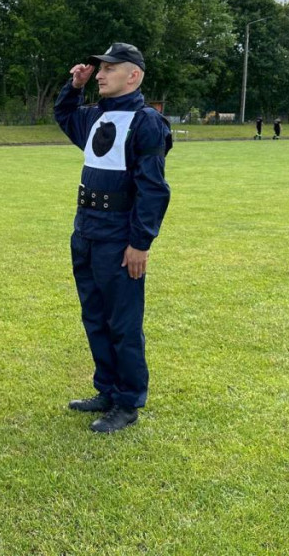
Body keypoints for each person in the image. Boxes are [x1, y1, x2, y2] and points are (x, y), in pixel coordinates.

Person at [54, 42, 171, 433]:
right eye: (98, 68)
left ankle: (127, 401)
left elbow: (153, 189)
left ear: (133, 75)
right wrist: (74, 86)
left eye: (109, 68)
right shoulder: (96, 117)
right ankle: (106, 388)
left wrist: (140, 243)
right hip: (86, 231)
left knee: (123, 322)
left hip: (120, 239)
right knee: (95, 316)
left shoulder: (146, 123)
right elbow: (64, 114)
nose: (100, 74)